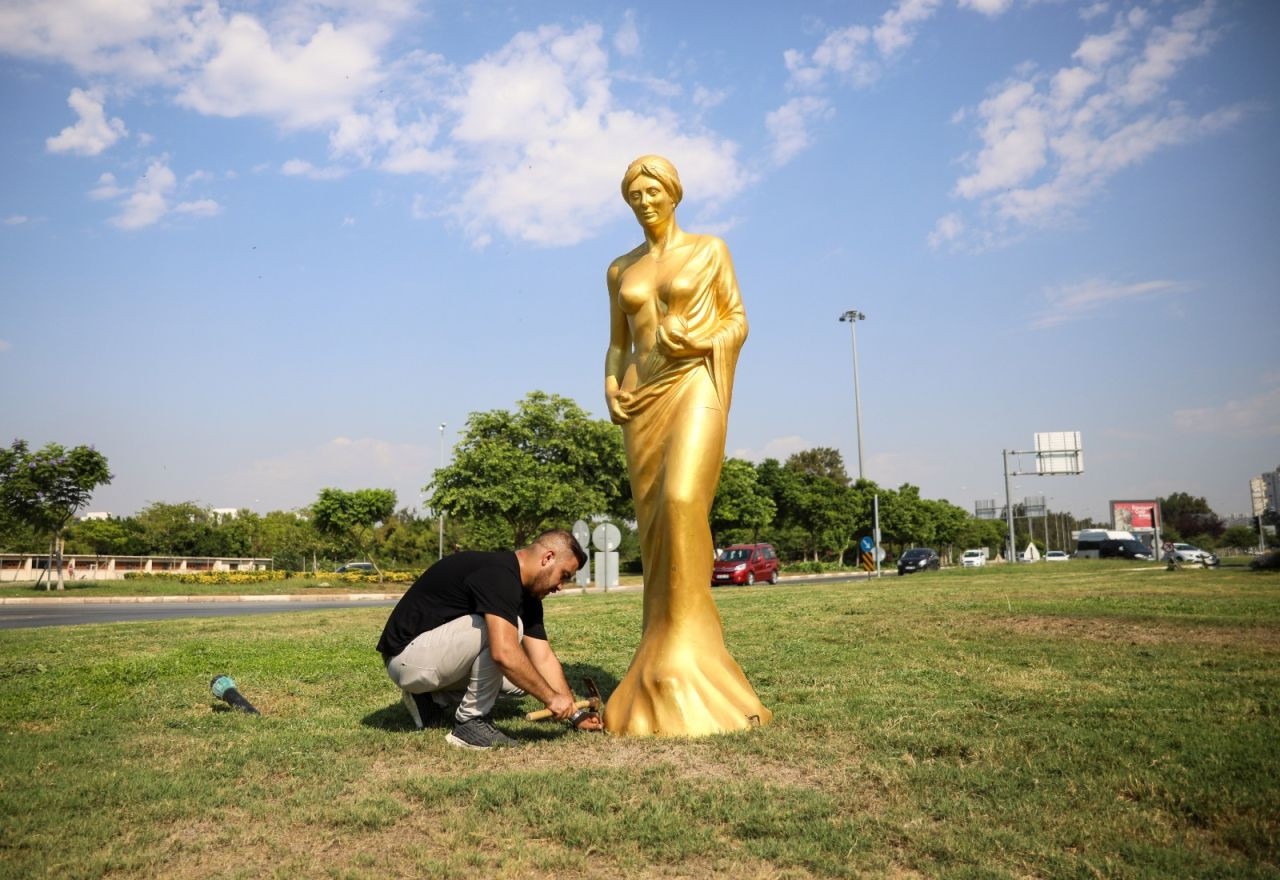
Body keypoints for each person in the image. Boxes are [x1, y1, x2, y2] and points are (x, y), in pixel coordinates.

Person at [602, 155, 772, 736]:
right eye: (634, 194)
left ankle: (694, 643)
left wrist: (696, 337)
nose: (644, 201)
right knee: (652, 525)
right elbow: (617, 345)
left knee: (681, 501)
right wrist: (608, 386)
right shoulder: (619, 268)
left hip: (696, 378)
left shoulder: (709, 249)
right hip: (639, 398)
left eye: (653, 191)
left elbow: (739, 321)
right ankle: (659, 647)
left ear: (674, 194)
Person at [376, 529, 602, 749]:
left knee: (526, 676)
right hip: (405, 658)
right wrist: (551, 699)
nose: (560, 587)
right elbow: (503, 653)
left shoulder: (529, 594)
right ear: (548, 558)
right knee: (505, 636)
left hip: (430, 658)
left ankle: (430, 699)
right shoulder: (500, 574)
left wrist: (575, 713)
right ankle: (469, 723)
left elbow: (543, 658)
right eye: (563, 575)